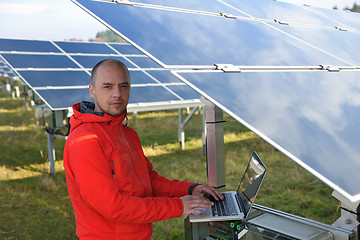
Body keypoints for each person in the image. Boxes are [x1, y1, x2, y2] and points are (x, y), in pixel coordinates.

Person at [63, 59, 223, 240]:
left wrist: (189, 189)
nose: (118, 93)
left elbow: (149, 182)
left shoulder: (127, 134)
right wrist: (178, 206)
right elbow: (112, 206)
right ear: (92, 90)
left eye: (124, 86)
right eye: (107, 87)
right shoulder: (85, 141)